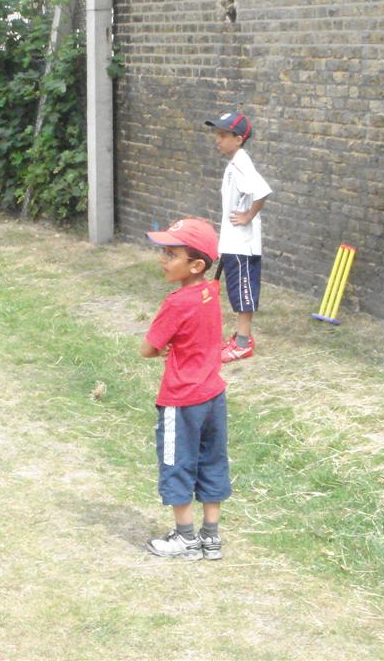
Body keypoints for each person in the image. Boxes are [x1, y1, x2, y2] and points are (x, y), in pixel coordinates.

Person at [142, 218, 230, 561]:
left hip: (182, 399)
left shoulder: (176, 303)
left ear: (196, 265)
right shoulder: (210, 292)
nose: (163, 258)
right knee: (212, 461)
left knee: (177, 463)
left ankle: (185, 539)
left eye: (171, 253)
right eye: (163, 251)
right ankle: (211, 538)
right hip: (213, 395)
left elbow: (149, 348)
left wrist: (162, 348)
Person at [205, 112, 272, 363]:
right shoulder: (234, 163)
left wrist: (247, 216)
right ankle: (240, 338)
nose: (218, 141)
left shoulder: (242, 163)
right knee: (236, 293)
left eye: (223, 136)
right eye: (217, 135)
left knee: (244, 294)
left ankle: (243, 343)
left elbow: (262, 191)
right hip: (233, 243)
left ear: (239, 139)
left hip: (243, 245)